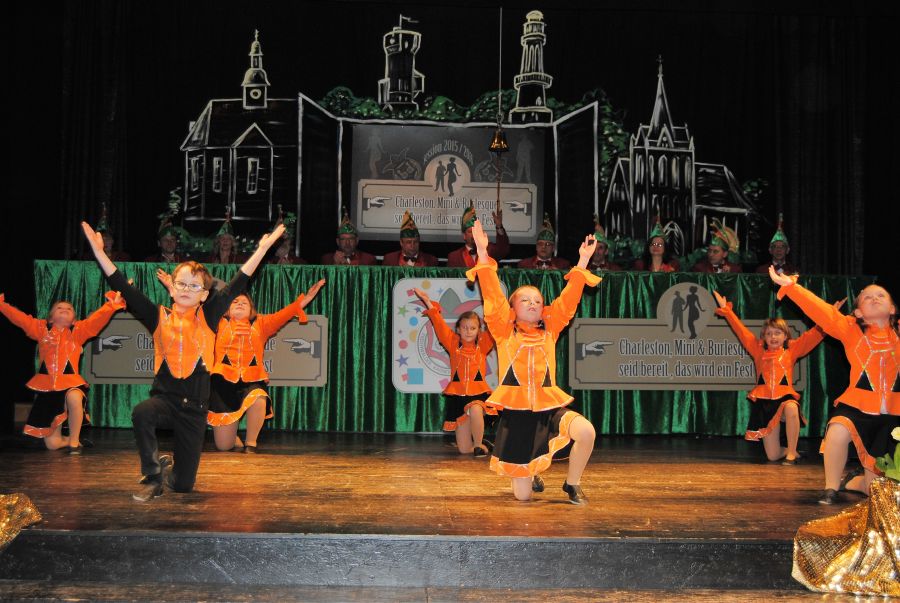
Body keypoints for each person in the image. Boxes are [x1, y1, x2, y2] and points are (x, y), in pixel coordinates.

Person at [82, 219, 285, 502]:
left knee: (183, 486)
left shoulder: (209, 317)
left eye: (194, 285)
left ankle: (171, 473)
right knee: (142, 412)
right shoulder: (157, 316)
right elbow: (123, 288)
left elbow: (238, 281)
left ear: (204, 295)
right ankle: (153, 475)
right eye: (181, 283)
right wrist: (99, 252)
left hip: (195, 408)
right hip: (165, 400)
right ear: (172, 288)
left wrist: (262, 249)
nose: (187, 289)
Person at [467, 219, 600, 504]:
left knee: (586, 431)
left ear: (543, 310)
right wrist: (482, 251)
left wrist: (583, 260)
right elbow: (491, 293)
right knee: (523, 497)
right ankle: (530, 472)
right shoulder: (504, 330)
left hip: (548, 409)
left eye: (537, 301)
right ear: (512, 308)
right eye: (525, 300)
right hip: (517, 418)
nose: (532, 304)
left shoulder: (551, 328)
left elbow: (569, 300)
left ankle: (572, 484)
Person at [769, 266, 900, 504]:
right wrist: (792, 288)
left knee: (876, 491)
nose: (874, 298)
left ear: (892, 308)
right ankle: (831, 486)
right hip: (857, 406)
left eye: (881, 295)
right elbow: (823, 312)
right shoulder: (851, 330)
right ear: (858, 312)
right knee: (838, 430)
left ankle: (853, 482)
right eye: (867, 297)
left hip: (893, 415)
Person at [713, 290, 843, 464]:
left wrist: (830, 316)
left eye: (777, 333)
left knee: (791, 407)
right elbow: (741, 331)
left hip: (784, 399)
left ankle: (792, 452)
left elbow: (814, 334)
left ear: (785, 336)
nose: (773, 337)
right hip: (765, 404)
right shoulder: (758, 351)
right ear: (764, 337)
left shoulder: (792, 350)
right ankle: (788, 451)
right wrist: (727, 312)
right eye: (769, 334)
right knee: (773, 456)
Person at [198, 282, 324, 453]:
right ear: (226, 308)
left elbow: (286, 313)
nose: (240, 304)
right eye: (235, 302)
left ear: (251, 309)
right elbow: (195, 312)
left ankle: (251, 443)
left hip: (252, 379)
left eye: (244, 302)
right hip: (222, 384)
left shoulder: (262, 323)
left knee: (258, 397)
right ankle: (233, 438)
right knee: (224, 446)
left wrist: (307, 298)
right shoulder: (216, 323)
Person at [0, 291, 125, 453]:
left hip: (71, 384)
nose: (64, 309)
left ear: (74, 320)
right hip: (49, 389)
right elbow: (20, 318)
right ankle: (69, 440)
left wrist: (111, 305)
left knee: (74, 397)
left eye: (69, 309)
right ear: (51, 318)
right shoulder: (40, 329)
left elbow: (96, 320)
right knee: (53, 444)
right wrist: (1, 305)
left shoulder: (78, 332)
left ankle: (74, 442)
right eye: (59, 308)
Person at [412, 288, 496, 456]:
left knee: (476, 408)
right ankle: (481, 444)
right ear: (458, 329)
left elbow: (496, 326)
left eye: (473, 328)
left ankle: (478, 444)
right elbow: (438, 323)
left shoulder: (483, 345)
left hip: (478, 394)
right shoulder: (452, 343)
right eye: (464, 327)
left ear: (478, 330)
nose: (468, 331)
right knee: (464, 450)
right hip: (458, 396)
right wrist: (427, 301)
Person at [446, 203, 509, 268]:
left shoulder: (489, 250)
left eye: (476, 230)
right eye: (470, 231)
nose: (474, 234)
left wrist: (499, 226)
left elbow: (503, 249)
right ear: (464, 236)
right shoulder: (454, 257)